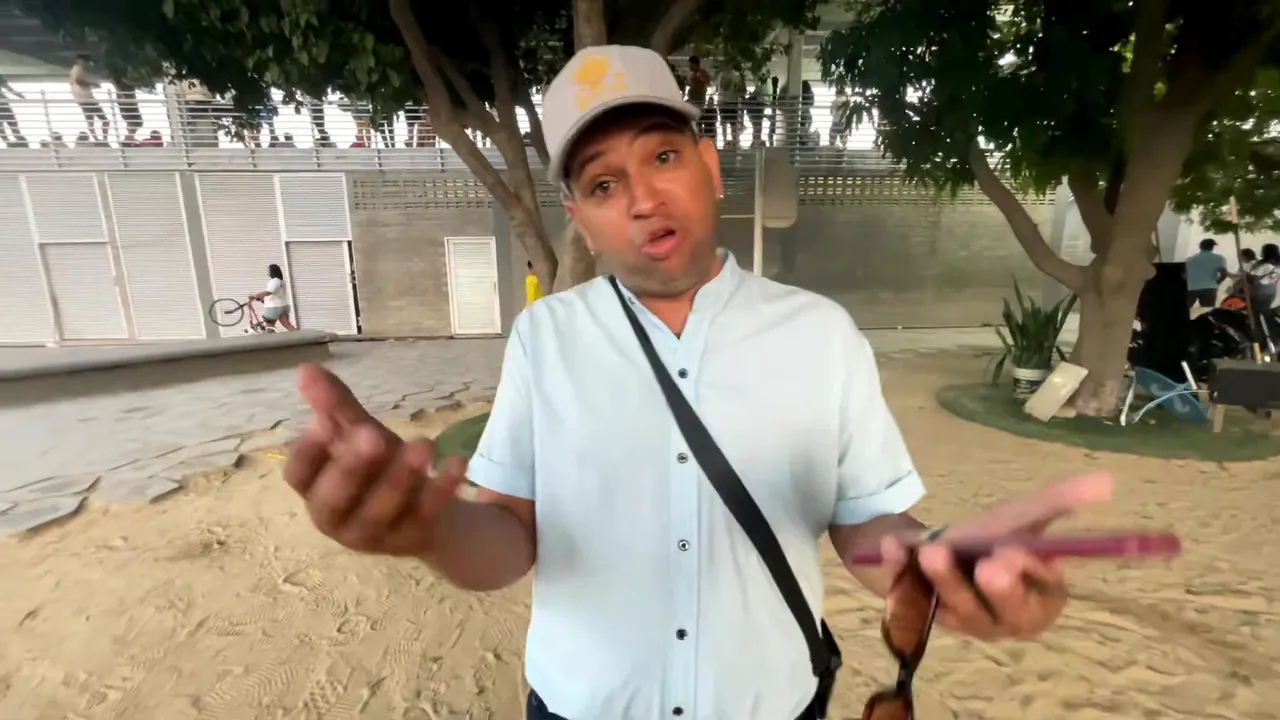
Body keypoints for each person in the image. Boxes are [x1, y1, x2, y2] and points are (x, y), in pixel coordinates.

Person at [282, 45, 1110, 720]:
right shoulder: (546, 339)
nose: (643, 199)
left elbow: (865, 523)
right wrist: (431, 530)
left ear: (710, 167)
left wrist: (938, 565)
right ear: (581, 220)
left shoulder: (820, 334)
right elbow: (507, 537)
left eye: (664, 156)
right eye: (604, 184)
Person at [70, 55, 108, 143]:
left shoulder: (75, 69)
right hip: (87, 98)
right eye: (85, 61)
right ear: (80, 61)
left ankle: (98, 139)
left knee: (91, 121)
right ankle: (102, 139)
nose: (86, 64)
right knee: (104, 120)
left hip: (82, 99)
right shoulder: (77, 68)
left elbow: (76, 82)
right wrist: (92, 84)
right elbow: (78, 80)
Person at [248, 263, 297, 331]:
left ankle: (272, 337)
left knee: (269, 326)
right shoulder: (281, 281)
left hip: (274, 308)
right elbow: (275, 294)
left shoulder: (275, 281)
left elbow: (268, 292)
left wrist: (254, 295)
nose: (267, 272)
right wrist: (262, 299)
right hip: (283, 306)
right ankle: (300, 336)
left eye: (268, 270)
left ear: (272, 271)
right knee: (287, 325)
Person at [1184, 238, 1228, 309]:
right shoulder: (1219, 258)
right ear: (1212, 247)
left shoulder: (1189, 259)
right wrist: (1217, 283)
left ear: (1200, 246)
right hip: (1209, 288)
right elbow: (1224, 274)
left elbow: (1184, 275)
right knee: (1207, 310)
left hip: (1191, 287)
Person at [685, 56, 713, 138]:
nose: (689, 66)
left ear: (695, 64)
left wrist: (699, 79)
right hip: (692, 100)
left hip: (699, 101)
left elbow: (707, 82)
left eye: (691, 64)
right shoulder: (691, 74)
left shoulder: (702, 73)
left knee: (698, 122)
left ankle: (699, 138)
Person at [0, 73, 28, 147]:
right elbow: (8, 88)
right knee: (5, 126)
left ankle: (19, 141)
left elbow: (8, 88)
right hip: (3, 103)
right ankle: (9, 142)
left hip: (3, 104)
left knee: (12, 124)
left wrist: (19, 95)